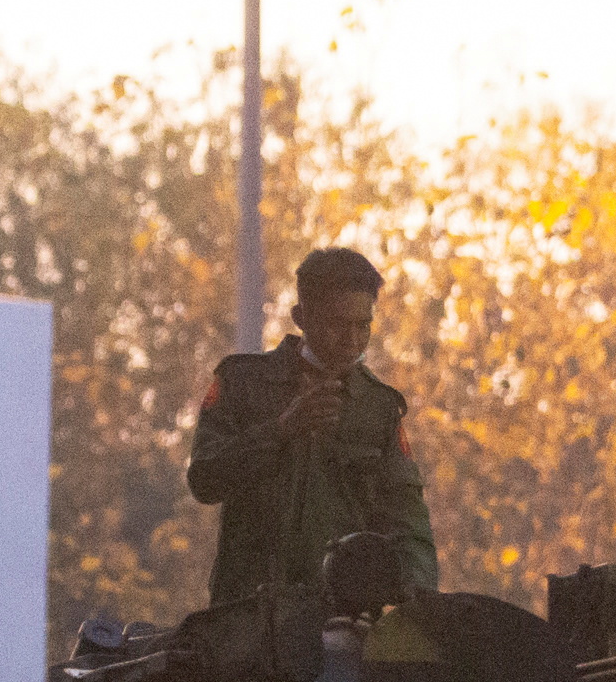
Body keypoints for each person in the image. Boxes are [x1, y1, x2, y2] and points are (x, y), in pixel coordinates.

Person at [184, 247, 438, 611]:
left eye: (362, 325)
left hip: (340, 618)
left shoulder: (378, 408)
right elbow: (204, 479)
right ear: (301, 316)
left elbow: (408, 522)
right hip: (247, 617)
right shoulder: (243, 383)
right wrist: (281, 430)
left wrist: (418, 599)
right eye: (337, 324)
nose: (352, 339)